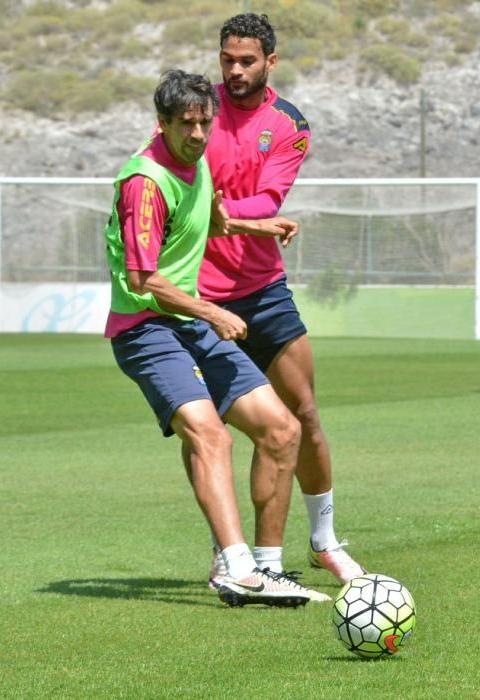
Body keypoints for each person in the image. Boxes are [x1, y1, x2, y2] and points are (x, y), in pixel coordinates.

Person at [104, 69, 330, 607]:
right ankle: (235, 567)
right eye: (187, 124)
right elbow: (142, 281)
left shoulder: (196, 162)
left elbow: (214, 220)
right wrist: (211, 310)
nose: (200, 134)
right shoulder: (145, 183)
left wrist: (260, 227)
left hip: (188, 323)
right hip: (145, 327)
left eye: (206, 122)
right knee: (212, 435)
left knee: (281, 428)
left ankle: (268, 566)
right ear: (162, 123)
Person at [198, 13, 366, 587]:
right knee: (211, 428)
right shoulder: (197, 108)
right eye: (228, 59)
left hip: (263, 291)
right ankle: (231, 551)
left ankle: (323, 540)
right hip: (199, 297)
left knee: (306, 416)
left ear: (271, 60)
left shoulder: (288, 122)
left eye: (247, 60)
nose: (236, 70)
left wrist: (226, 216)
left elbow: (271, 195)